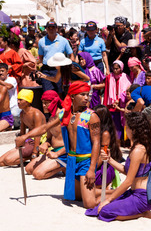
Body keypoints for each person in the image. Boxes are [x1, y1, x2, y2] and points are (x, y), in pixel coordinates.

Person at [15, 81, 101, 209]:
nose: (86, 98)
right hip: (71, 160)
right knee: (75, 197)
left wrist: (91, 169)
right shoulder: (63, 114)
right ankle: (107, 191)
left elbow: (96, 143)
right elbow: (44, 128)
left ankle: (118, 194)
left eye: (87, 95)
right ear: (72, 96)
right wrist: (25, 137)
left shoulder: (91, 116)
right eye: (82, 95)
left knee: (89, 204)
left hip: (85, 161)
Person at [85, 111, 151, 221]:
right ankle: (141, 211)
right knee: (98, 205)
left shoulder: (138, 150)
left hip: (142, 197)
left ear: (133, 130)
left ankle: (143, 214)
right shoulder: (138, 146)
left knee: (104, 211)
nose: (126, 130)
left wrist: (109, 199)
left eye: (127, 127)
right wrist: (109, 160)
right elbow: (128, 171)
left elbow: (128, 181)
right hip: (135, 192)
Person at [24, 90, 67, 180]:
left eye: (47, 103)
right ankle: (59, 166)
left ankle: (64, 167)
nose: (44, 105)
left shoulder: (63, 115)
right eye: (43, 103)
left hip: (63, 152)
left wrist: (58, 153)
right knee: (28, 169)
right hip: (53, 151)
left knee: (37, 174)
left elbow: (72, 141)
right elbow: (49, 139)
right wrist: (45, 144)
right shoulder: (51, 117)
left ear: (54, 102)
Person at [1, 90, 45, 167]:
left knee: (8, 160)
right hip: (28, 141)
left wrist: (35, 153)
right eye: (18, 99)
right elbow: (22, 132)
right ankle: (23, 157)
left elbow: (38, 135)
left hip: (37, 142)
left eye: (20, 100)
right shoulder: (22, 113)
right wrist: (18, 145)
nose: (18, 102)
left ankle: (31, 156)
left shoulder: (36, 113)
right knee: (1, 161)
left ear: (28, 101)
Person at [38, 20, 74, 93]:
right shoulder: (41, 41)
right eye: (49, 28)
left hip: (59, 70)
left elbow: (71, 55)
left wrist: (68, 68)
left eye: (53, 28)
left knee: (59, 92)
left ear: (56, 29)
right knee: (47, 93)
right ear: (46, 29)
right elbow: (41, 57)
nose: (51, 30)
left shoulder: (63, 41)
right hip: (46, 70)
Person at [103, 59, 132, 141]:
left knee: (121, 122)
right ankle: (114, 139)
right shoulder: (109, 77)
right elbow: (106, 91)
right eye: (114, 68)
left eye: (117, 68)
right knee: (113, 122)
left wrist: (119, 99)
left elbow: (127, 89)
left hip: (122, 102)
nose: (115, 70)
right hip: (111, 103)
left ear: (121, 68)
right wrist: (106, 104)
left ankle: (123, 140)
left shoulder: (125, 76)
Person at [0, 63, 19, 129]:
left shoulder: (12, 79)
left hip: (13, 107)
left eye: (2, 71)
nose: (0, 73)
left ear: (7, 71)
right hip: (2, 110)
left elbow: (9, 86)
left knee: (15, 116)